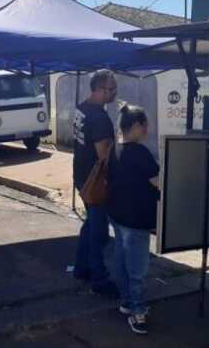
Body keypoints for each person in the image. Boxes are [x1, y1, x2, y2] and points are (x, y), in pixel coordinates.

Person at [107, 105, 160, 335]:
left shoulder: (115, 148)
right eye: (145, 125)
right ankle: (138, 312)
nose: (147, 130)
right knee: (137, 268)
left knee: (121, 261)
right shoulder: (140, 153)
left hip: (116, 215)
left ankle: (127, 302)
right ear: (137, 126)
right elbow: (158, 182)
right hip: (136, 218)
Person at [72, 69, 119, 297]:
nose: (114, 93)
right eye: (111, 89)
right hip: (96, 181)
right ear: (101, 89)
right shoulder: (100, 118)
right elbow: (104, 156)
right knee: (99, 232)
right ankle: (99, 278)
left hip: (81, 176)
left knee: (91, 224)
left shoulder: (81, 108)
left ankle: (81, 268)